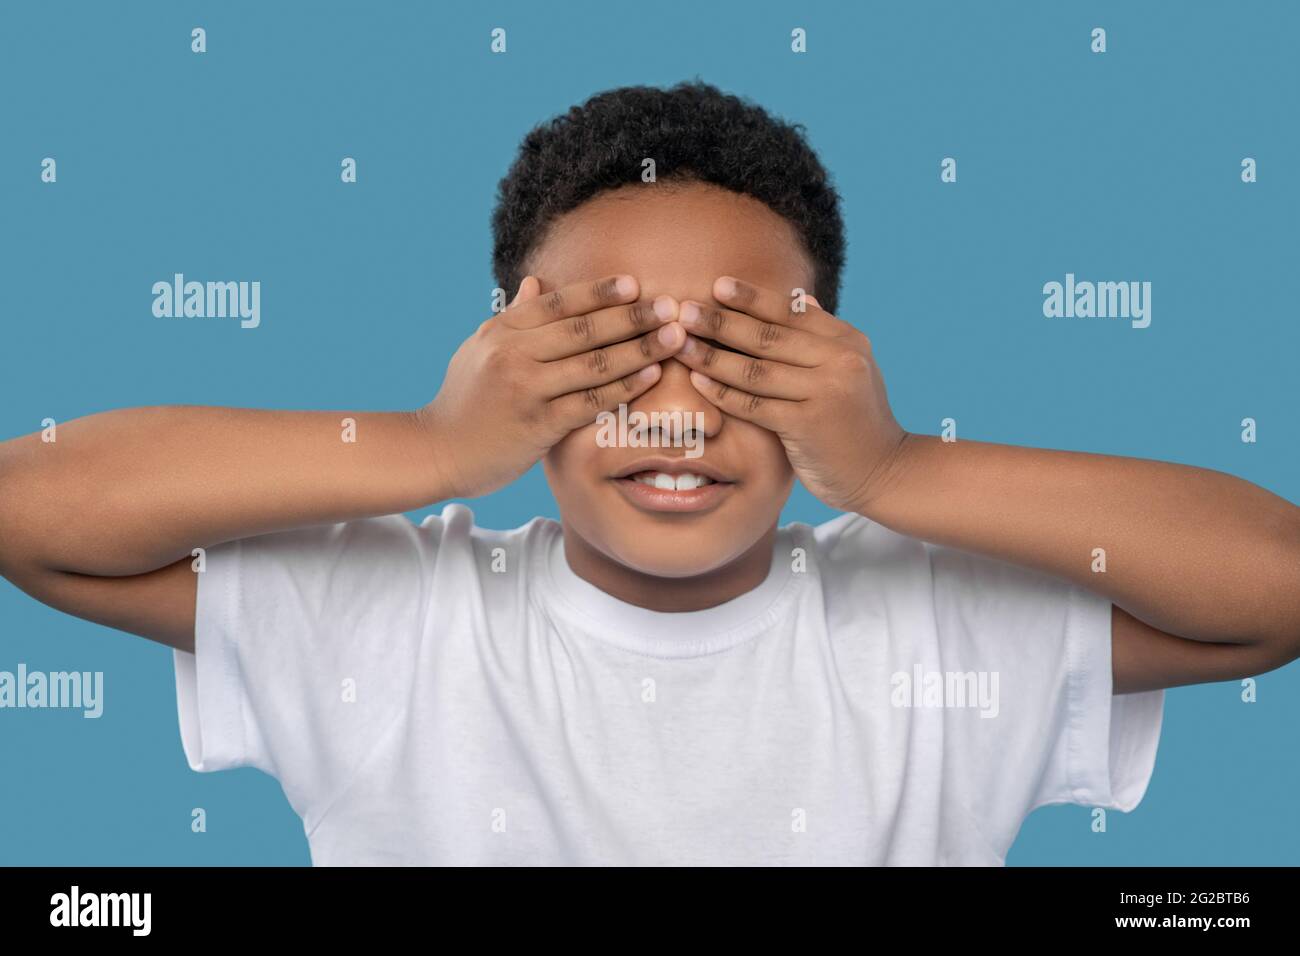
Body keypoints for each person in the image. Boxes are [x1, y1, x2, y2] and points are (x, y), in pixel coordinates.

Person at [1, 82, 1297, 865]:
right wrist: (429, 446)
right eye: (606, 351)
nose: (676, 413)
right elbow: (33, 505)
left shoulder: (937, 617)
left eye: (742, 353)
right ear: (510, 358)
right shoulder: (397, 619)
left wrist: (897, 471)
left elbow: (1275, 587)